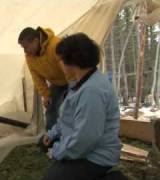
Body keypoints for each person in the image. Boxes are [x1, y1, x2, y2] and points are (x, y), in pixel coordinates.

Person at [41, 33, 124, 180]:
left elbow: (85, 139)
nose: (58, 64)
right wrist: (52, 134)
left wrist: (56, 151)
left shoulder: (91, 91)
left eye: (60, 59)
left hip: (97, 155)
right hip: (85, 149)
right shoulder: (79, 83)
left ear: (71, 61)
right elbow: (66, 117)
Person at [18, 27, 75, 130]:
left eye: (26, 47)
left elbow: (68, 68)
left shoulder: (55, 45)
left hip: (72, 80)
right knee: (51, 109)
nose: (25, 51)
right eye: (23, 48)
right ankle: (50, 137)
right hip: (57, 84)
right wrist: (45, 95)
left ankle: (68, 135)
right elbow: (36, 76)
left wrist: (73, 89)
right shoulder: (29, 57)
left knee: (65, 108)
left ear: (35, 41)